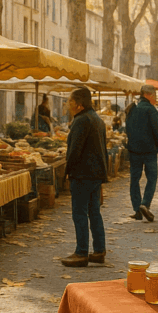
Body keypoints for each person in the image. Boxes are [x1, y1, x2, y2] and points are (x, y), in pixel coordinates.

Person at [60, 87, 108, 267]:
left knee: (79, 213)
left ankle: (81, 253)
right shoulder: (97, 119)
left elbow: (74, 151)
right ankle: (99, 250)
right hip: (95, 174)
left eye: (70, 101)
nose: (68, 105)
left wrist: (67, 173)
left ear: (79, 104)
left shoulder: (81, 121)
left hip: (82, 174)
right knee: (94, 212)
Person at [124, 83, 158, 222]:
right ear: (149, 95)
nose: (155, 98)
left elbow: (127, 129)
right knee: (152, 178)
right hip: (149, 151)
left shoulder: (131, 109)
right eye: (154, 96)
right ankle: (145, 204)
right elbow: (156, 130)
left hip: (134, 150)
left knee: (134, 180)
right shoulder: (150, 110)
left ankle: (137, 210)